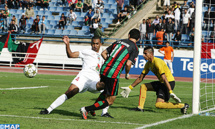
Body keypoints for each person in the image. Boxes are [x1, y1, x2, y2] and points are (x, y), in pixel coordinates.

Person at [40, 36, 111, 117]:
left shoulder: (102, 57)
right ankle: (48, 109)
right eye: (93, 44)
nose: (95, 45)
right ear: (91, 44)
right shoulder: (86, 52)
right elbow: (70, 55)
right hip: (83, 77)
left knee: (108, 87)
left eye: (97, 44)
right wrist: (67, 44)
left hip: (94, 81)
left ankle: (103, 112)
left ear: (100, 44)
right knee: (70, 92)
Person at [80, 28, 140, 120]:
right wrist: (127, 74)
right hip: (113, 74)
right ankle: (86, 109)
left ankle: (93, 108)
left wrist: (109, 62)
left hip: (104, 69)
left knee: (106, 91)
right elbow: (128, 63)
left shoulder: (119, 41)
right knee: (110, 100)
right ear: (138, 39)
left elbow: (103, 53)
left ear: (128, 35)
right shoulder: (135, 48)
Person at [120, 46, 189, 114]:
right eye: (143, 53)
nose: (143, 55)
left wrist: (170, 91)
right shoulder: (148, 64)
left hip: (168, 83)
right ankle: (140, 108)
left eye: (145, 54)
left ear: (151, 54)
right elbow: (140, 78)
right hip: (162, 82)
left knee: (158, 105)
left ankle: (183, 105)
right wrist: (130, 87)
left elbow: (164, 78)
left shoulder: (157, 62)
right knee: (143, 86)